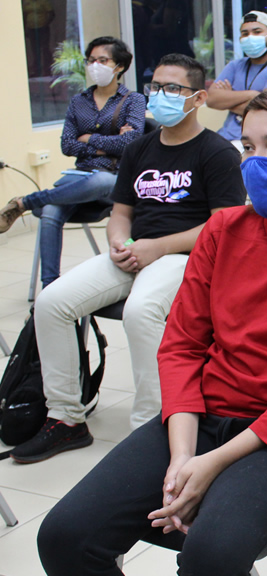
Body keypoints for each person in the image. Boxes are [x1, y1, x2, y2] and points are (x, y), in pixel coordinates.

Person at [36, 85, 267, 576]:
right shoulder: (223, 230)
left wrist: (215, 462)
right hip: (203, 417)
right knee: (64, 537)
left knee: (211, 555)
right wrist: (183, 455)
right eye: (248, 146)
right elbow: (180, 346)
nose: (256, 160)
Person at [10, 54, 247, 464]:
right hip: (135, 251)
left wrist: (158, 247)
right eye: (156, 86)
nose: (161, 95)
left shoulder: (218, 153)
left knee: (141, 311)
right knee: (51, 303)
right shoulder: (139, 149)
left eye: (174, 89)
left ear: (199, 98)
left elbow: (221, 227)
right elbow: (120, 212)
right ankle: (66, 419)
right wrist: (120, 243)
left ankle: (151, 430)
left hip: (187, 256)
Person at [0, 37, 144, 289]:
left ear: (119, 66)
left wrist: (89, 139)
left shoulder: (134, 100)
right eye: (91, 61)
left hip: (116, 181)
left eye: (103, 60)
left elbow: (130, 144)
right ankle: (49, 288)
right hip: (78, 178)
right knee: (51, 209)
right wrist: (108, 143)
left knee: (100, 179)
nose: (94, 65)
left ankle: (25, 202)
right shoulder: (78, 102)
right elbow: (67, 145)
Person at [207, 11, 267, 141]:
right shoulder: (235, 66)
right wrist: (252, 95)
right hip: (225, 138)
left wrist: (229, 100)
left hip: (258, 143)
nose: (250, 37)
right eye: (245, 34)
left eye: (257, 32)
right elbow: (211, 99)